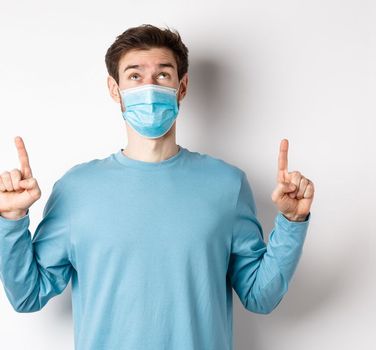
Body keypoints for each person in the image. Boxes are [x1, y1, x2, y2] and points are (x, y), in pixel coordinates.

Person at [0, 24, 314, 349]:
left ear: (182, 86)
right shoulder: (75, 189)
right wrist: (11, 221)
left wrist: (292, 223)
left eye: (163, 75)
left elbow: (260, 297)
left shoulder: (227, 184)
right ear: (114, 88)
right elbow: (27, 296)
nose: (148, 87)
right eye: (134, 76)